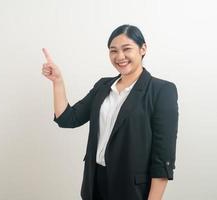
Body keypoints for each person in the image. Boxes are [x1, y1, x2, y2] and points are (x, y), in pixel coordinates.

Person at [41, 24, 179, 200]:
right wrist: (57, 81)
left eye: (126, 49)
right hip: (95, 183)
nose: (119, 56)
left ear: (143, 49)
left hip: (132, 190)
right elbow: (68, 119)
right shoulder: (103, 86)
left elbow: (163, 158)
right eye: (113, 51)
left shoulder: (161, 90)